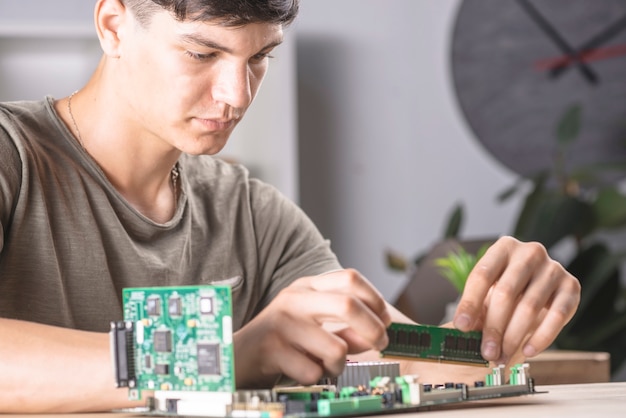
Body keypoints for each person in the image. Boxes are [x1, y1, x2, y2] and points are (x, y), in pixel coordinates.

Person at [0, 0, 581, 413]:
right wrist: (222, 359)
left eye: (260, 58)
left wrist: (498, 327)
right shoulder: (12, 157)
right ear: (113, 25)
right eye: (203, 53)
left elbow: (394, 350)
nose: (237, 95)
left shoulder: (250, 211)